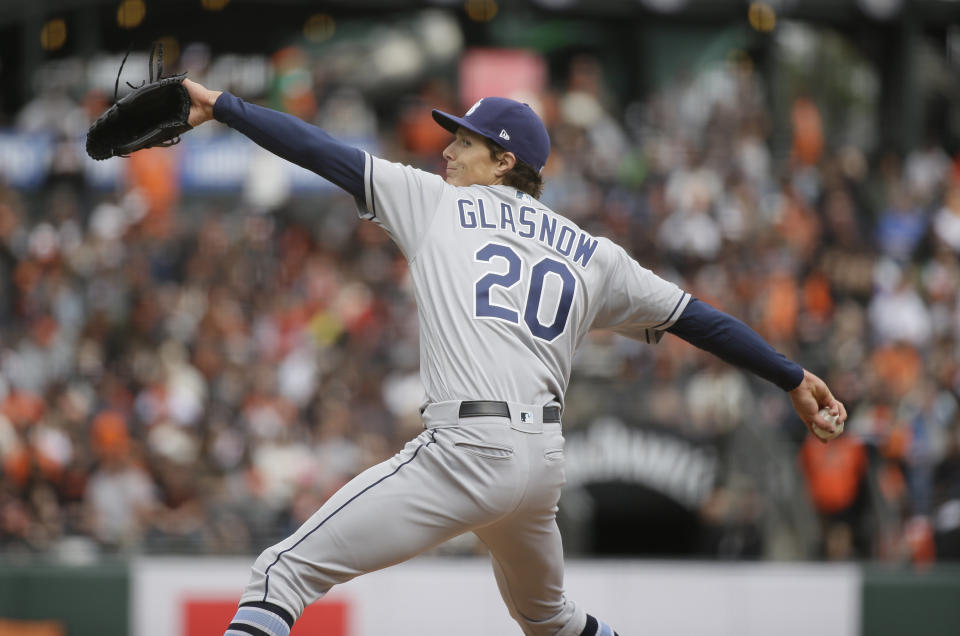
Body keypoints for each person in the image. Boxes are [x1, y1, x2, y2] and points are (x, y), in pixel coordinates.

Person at [183, 78, 846, 636]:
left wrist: (222, 106)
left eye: (463, 142)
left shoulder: (436, 204)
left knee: (281, 572)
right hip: (540, 470)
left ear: (503, 162)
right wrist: (790, 376)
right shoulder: (594, 253)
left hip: (468, 449)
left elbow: (320, 151)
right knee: (551, 621)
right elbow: (701, 320)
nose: (446, 150)